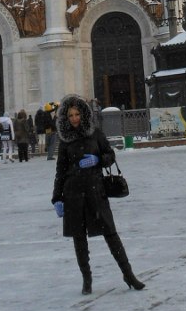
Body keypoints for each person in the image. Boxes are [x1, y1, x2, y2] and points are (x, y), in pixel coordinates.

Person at [51, 94, 145, 295]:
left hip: (95, 191)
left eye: (77, 114)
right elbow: (60, 170)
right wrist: (57, 198)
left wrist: (98, 160)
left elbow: (110, 155)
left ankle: (128, 274)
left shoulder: (95, 134)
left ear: (83, 114)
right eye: (70, 116)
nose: (74, 119)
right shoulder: (65, 140)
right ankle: (87, 279)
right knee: (79, 239)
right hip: (73, 194)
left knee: (111, 233)